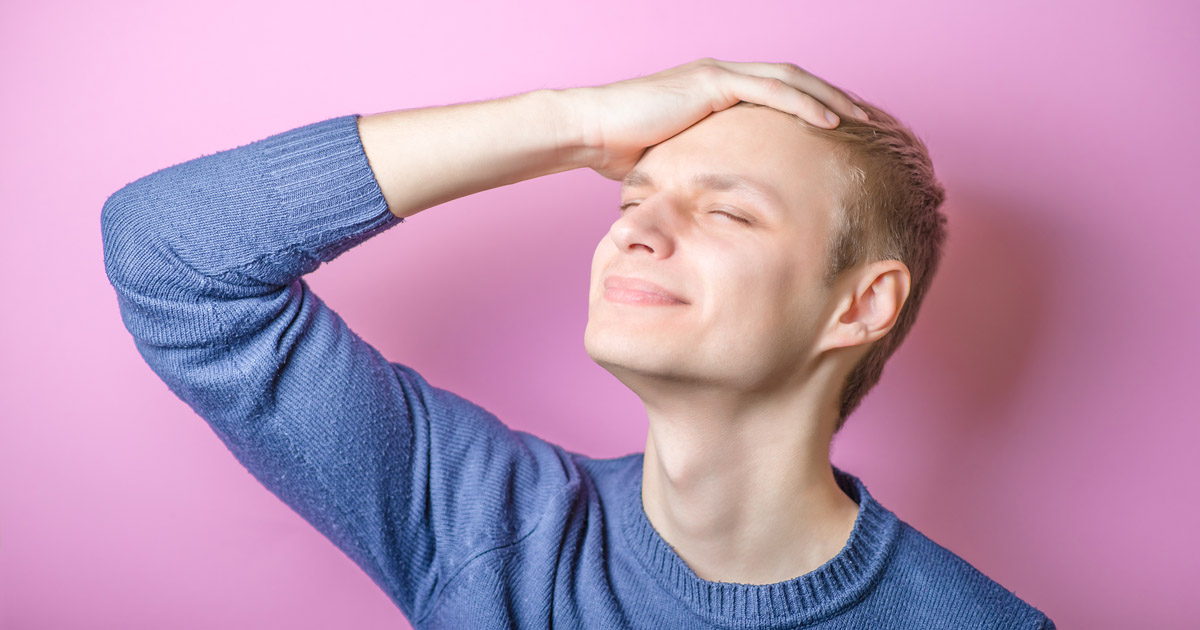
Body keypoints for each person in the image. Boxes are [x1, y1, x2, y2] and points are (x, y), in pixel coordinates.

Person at [101, 58, 1055, 628]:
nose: (634, 231)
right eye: (634, 200)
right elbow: (172, 253)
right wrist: (577, 122)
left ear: (859, 306)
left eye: (727, 212)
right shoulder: (486, 527)